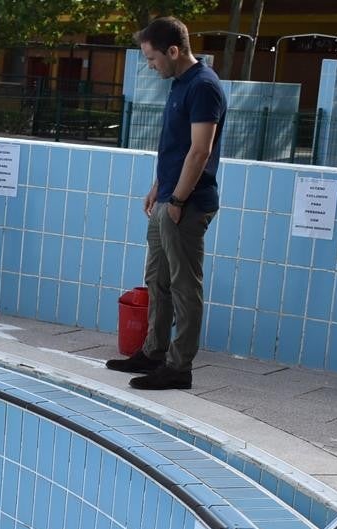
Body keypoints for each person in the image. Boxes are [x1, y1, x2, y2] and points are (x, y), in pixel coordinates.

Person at [106, 17, 226, 390]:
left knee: (184, 286)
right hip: (168, 197)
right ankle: (153, 352)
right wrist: (158, 187)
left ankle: (178, 367)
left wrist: (176, 199)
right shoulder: (180, 84)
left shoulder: (204, 87)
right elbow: (176, 148)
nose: (150, 65)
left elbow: (200, 150)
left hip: (186, 204)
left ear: (174, 51)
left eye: (152, 58)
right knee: (156, 279)